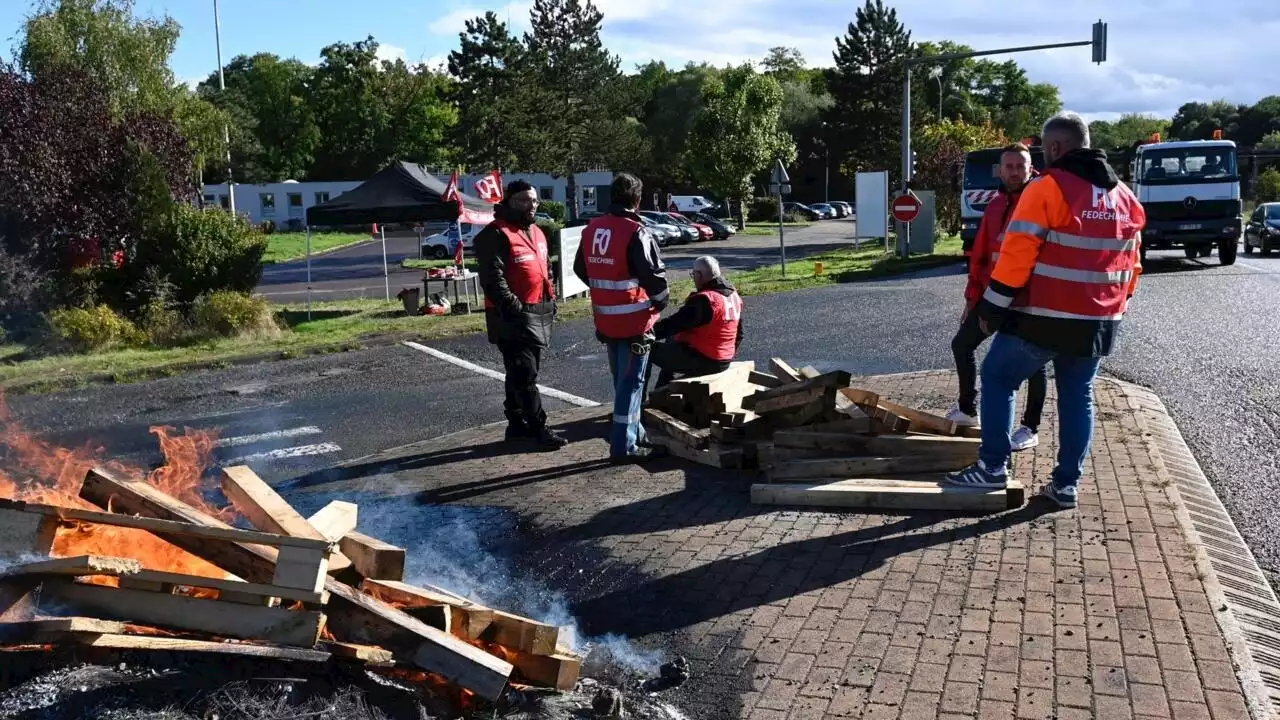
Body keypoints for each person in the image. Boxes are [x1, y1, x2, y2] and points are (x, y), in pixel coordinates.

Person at [944, 111, 1146, 509]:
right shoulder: (1125, 197)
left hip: (1044, 317)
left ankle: (991, 468)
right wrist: (1112, 310)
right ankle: (1066, 486)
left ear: (1053, 147)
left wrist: (991, 308)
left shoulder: (1047, 188)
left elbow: (1016, 258)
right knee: (1077, 394)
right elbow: (1134, 267)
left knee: (998, 376)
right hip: (1101, 321)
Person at [947, 142, 1048, 452]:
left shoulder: (1041, 202)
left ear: (1031, 168)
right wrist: (971, 298)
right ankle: (968, 410)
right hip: (993, 297)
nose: (1015, 172)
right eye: (1009, 166)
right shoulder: (994, 204)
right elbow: (980, 255)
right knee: (961, 343)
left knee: (1035, 366)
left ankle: (1030, 427)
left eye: (1021, 166)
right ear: (1000, 170)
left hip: (1028, 299)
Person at [574, 173, 671, 463]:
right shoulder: (636, 231)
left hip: (606, 320)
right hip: (635, 321)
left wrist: (605, 292)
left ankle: (635, 432)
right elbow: (654, 279)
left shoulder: (592, 228)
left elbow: (582, 269)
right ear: (638, 200)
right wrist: (659, 302)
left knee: (621, 381)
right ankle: (624, 446)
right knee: (632, 385)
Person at [474, 179, 568, 451]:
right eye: (525, 200)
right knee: (525, 374)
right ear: (509, 202)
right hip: (512, 316)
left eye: (535, 200)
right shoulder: (496, 233)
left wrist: (551, 297)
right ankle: (539, 429)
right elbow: (492, 277)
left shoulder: (537, 232)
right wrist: (512, 306)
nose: (532, 205)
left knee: (520, 372)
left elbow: (545, 268)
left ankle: (516, 425)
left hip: (539, 311)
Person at [648, 256, 743, 389]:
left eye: (693, 274)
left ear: (699, 275)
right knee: (671, 339)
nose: (693, 278)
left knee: (645, 349)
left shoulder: (706, 300)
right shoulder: (733, 296)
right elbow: (740, 334)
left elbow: (673, 324)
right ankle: (662, 389)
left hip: (704, 360)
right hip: (724, 359)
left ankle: (639, 399)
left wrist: (646, 333)